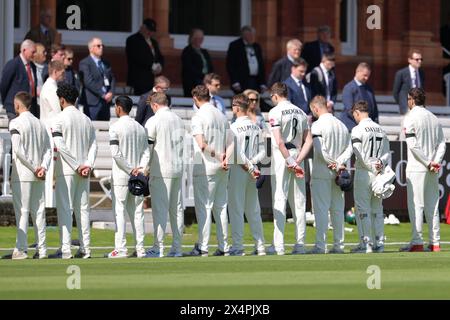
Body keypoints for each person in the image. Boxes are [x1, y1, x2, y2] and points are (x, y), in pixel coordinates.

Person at [50, 84, 97, 259]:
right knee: (83, 210)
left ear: (62, 100)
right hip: (83, 170)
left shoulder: (58, 119)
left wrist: (77, 165)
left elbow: (60, 145)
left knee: (65, 209)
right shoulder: (86, 119)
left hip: (68, 170)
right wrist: (87, 165)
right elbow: (94, 145)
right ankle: (86, 249)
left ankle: (65, 249)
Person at [267, 82, 313, 255]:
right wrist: (297, 161)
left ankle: (278, 245)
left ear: (276, 95)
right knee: (299, 202)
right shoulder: (300, 112)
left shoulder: (275, 111)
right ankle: (300, 244)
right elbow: (309, 141)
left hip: (282, 156)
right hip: (297, 154)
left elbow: (279, 142)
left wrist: (289, 160)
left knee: (280, 197)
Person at [189, 85, 233, 256]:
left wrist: (218, 155)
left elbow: (202, 145)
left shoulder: (198, 116)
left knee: (204, 207)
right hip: (222, 167)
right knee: (221, 207)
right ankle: (223, 247)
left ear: (195, 98)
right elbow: (231, 143)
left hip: (206, 166)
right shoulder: (221, 115)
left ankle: (203, 246)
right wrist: (225, 158)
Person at [400, 88, 446, 252]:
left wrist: (428, 162)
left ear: (412, 100)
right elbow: (442, 143)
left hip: (417, 167)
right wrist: (435, 162)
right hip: (432, 168)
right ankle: (435, 243)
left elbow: (413, 146)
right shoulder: (433, 117)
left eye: (408, 99)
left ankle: (417, 242)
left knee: (416, 205)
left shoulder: (410, 117)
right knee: (432, 205)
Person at [106, 96, 150, 259]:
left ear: (118, 108)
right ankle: (140, 249)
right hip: (137, 175)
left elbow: (116, 154)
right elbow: (146, 152)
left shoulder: (115, 127)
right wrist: (140, 169)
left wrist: (131, 169)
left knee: (120, 211)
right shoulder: (139, 127)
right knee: (138, 212)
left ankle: (121, 248)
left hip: (121, 176)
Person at [308, 95, 353, 254]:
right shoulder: (341, 124)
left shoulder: (317, 125)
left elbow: (320, 151)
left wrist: (333, 163)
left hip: (322, 172)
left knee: (321, 209)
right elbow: (350, 148)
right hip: (338, 173)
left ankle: (321, 246)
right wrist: (339, 163)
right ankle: (339, 245)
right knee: (337, 209)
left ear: (315, 108)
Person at [9, 92, 51, 260]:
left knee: (23, 211)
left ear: (18, 105)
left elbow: (18, 151)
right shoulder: (40, 124)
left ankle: (21, 249)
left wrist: (35, 168)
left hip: (24, 174)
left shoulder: (16, 122)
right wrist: (43, 167)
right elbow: (48, 149)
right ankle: (42, 250)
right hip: (38, 174)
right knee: (39, 212)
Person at [145, 92, 185, 258]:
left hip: (161, 170)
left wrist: (144, 168)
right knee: (176, 210)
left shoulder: (153, 120)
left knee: (160, 210)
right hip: (177, 168)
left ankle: (158, 247)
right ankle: (177, 248)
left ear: (154, 105)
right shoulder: (179, 119)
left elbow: (148, 148)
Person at [227, 94, 266, 256]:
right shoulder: (256, 127)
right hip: (252, 171)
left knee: (236, 208)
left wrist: (249, 166)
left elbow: (235, 152)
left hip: (239, 169)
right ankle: (260, 245)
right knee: (253, 209)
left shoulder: (233, 127)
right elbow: (263, 152)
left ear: (236, 108)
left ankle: (238, 246)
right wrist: (253, 164)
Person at [351, 101, 390, 253]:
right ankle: (379, 244)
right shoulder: (380, 129)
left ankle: (366, 244)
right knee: (377, 209)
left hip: (364, 172)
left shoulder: (357, 129)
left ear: (357, 112)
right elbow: (387, 152)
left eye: (354, 114)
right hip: (379, 172)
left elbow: (358, 153)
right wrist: (380, 163)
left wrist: (370, 165)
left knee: (363, 209)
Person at [39, 60, 66, 209]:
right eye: (62, 73)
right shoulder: (50, 88)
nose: (63, 76)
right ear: (56, 72)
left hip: (50, 128)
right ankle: (50, 203)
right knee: (51, 169)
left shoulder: (51, 86)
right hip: (51, 130)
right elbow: (57, 111)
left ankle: (52, 202)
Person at [0, 40, 38, 120]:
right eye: (33, 52)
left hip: (28, 109)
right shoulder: (13, 64)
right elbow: (4, 85)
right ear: (24, 50)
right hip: (14, 109)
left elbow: (32, 86)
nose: (34, 55)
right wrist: (8, 103)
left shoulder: (32, 66)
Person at [79, 37, 115, 121]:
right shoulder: (85, 63)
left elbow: (112, 78)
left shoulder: (106, 63)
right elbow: (88, 82)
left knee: (105, 130)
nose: (101, 47)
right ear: (91, 48)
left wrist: (111, 92)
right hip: (92, 103)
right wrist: (103, 94)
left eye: (102, 45)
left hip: (106, 103)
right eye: (98, 46)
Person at [126, 18, 164, 96]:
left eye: (152, 30)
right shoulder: (133, 40)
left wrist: (160, 65)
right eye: (148, 30)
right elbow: (136, 57)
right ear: (142, 27)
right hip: (139, 79)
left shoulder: (153, 42)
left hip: (152, 78)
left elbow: (160, 56)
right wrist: (151, 65)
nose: (150, 32)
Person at [226, 26, 266, 94]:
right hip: (242, 81)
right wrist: (235, 82)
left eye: (253, 35)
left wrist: (263, 83)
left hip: (255, 80)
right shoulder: (235, 45)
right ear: (244, 35)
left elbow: (261, 65)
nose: (252, 37)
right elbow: (231, 65)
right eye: (250, 35)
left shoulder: (256, 46)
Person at [340, 63, 378, 131]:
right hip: (352, 125)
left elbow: (374, 108)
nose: (367, 78)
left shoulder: (369, 88)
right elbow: (350, 109)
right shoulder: (349, 88)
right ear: (358, 72)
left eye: (368, 76)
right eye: (365, 75)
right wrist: (362, 121)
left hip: (367, 127)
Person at [182, 29, 214, 97]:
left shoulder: (204, 52)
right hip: (193, 81)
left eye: (201, 38)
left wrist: (210, 76)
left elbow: (210, 66)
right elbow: (189, 67)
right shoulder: (187, 51)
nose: (200, 40)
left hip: (206, 80)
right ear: (192, 38)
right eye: (197, 38)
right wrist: (203, 76)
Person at [393, 49, 425, 115]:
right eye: (417, 59)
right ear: (409, 60)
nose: (419, 61)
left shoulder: (422, 73)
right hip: (406, 108)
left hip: (419, 108)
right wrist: (402, 104)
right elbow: (395, 92)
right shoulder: (401, 73)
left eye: (421, 59)